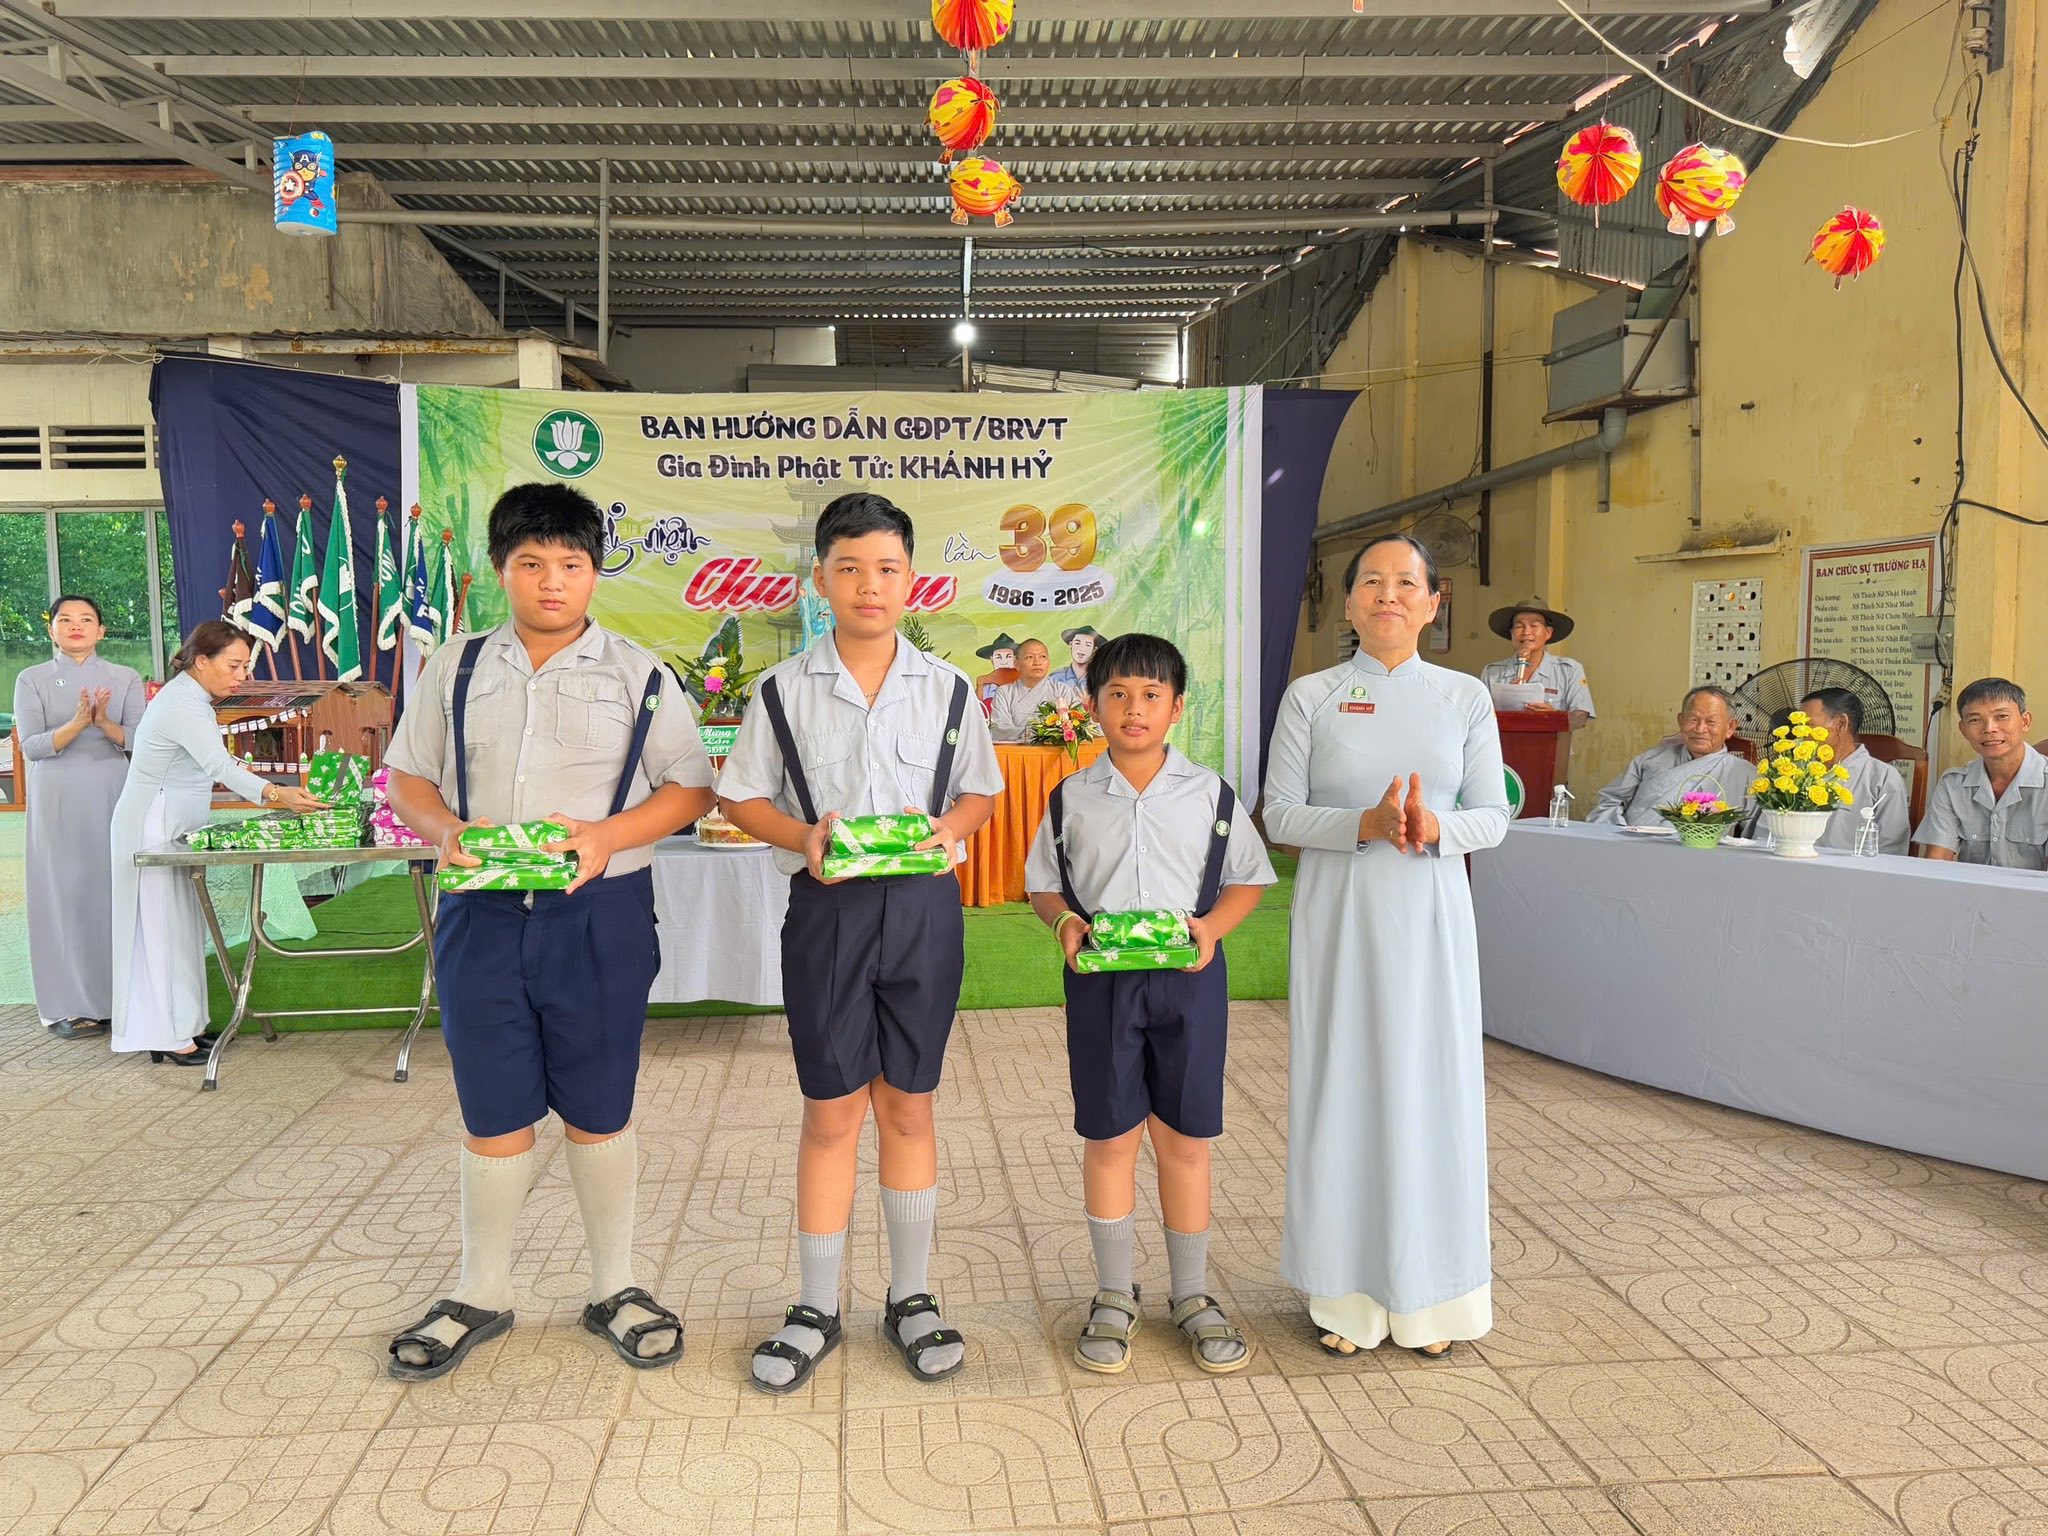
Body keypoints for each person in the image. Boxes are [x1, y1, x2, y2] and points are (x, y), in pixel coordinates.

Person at [383, 482, 715, 1382]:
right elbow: (408, 777)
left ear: (595, 572)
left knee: (600, 1108)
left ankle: (616, 1286)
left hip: (599, 917)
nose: (552, 581)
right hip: (481, 914)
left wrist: (608, 836)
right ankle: (480, 1290)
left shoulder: (641, 675)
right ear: (501, 570)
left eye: (570, 563)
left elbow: (691, 788)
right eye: (531, 563)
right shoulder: (453, 668)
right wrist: (445, 830)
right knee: (491, 1109)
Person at [718, 491, 1002, 1394]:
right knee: (832, 1111)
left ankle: (910, 1296)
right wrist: (801, 836)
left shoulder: (949, 690)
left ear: (911, 580)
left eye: (885, 568)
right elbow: (740, 796)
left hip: (923, 913)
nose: (868, 585)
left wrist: (950, 826)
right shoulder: (781, 690)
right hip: (828, 915)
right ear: (821, 580)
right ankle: (815, 1306)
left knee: (910, 1106)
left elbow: (980, 793)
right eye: (849, 568)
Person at [1264, 534, 1509, 1360]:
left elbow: (1494, 816)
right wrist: (1361, 823)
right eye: (1372, 581)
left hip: (1431, 918)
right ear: (1348, 603)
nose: (1388, 595)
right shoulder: (1312, 697)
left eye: (1407, 583)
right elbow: (1278, 813)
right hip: (1340, 914)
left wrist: (1436, 826)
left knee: (1431, 1089)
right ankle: (1348, 1298)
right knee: (1345, 1086)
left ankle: (1436, 1301)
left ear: (1434, 603)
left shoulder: (1464, 697)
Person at [1024, 632, 1275, 1375]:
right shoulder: (1070, 797)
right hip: (1101, 985)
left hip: (1190, 982)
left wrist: (1213, 930)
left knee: (1185, 1138)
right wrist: (1065, 924)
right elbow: (1045, 884)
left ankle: (1192, 1294)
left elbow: (1248, 878)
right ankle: (1113, 1293)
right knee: (1110, 1136)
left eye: (1151, 695)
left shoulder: (1212, 795)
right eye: (1118, 694)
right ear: (1092, 704)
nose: (1134, 709)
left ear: (1178, 707)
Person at [109, 621, 326, 1064]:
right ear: (201, 660)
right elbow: (218, 766)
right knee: (160, 928)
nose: (242, 675)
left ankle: (185, 1025)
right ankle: (166, 1034)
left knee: (182, 926)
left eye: (246, 666)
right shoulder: (182, 705)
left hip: (174, 821)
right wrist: (276, 794)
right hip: (153, 821)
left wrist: (274, 790)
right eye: (234, 665)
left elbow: (219, 761)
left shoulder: (194, 700)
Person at [15, 596, 145, 1039]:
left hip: (113, 789)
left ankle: (123, 999)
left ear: (101, 631)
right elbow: (31, 746)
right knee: (64, 893)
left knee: (114, 888)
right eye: (65, 619)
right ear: (51, 629)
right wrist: (75, 724)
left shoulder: (125, 677)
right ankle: (69, 1004)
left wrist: (103, 722)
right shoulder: (32, 679)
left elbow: (139, 739)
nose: (76, 626)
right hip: (57, 795)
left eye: (86, 619)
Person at [1913, 677, 2047, 868]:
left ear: (2025, 721)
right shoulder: (1953, 785)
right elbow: (1936, 863)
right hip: (1968, 888)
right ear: (1963, 729)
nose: (1989, 729)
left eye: (2001, 716)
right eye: (1975, 720)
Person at [1588, 687, 1754, 827]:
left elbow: (1762, 836)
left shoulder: (1744, 774)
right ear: (1681, 721)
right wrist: (1618, 834)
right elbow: (1610, 801)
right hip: (1630, 846)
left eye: (1711, 722)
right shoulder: (1651, 759)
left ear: (1730, 728)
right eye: (1693, 719)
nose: (1700, 729)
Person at [1798, 688, 1909, 854]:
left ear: (1841, 724)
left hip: (1855, 869)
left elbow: (1892, 850)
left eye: (1809, 725)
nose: (1801, 734)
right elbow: (1765, 835)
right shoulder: (1794, 774)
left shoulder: (1883, 778)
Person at [1479, 597, 1595, 724]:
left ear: (1548, 632)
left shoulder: (1569, 670)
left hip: (1552, 737)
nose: (1526, 632)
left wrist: (1555, 716)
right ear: (1511, 633)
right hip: (1504, 737)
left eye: (1534, 625)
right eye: (1519, 626)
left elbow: (1581, 717)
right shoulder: (1492, 673)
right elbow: (1479, 718)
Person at [989, 638, 1084, 743]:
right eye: (1029, 657)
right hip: (1017, 751)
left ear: (1048, 662)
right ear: (1016, 663)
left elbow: (1081, 722)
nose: (1037, 662)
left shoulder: (1061, 690)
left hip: (1055, 750)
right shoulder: (1004, 692)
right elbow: (999, 730)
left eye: (1042, 657)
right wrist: (1031, 733)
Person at [1049, 624, 1102, 693]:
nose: (1081, 649)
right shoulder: (1055, 678)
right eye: (1077, 643)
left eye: (1088, 645)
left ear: (1094, 649)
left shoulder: (1101, 679)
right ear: (1071, 644)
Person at [973, 632, 1019, 712]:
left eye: (1008, 657)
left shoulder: (1025, 683)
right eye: (998, 657)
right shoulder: (984, 688)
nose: (1003, 662)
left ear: (1015, 658)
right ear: (992, 659)